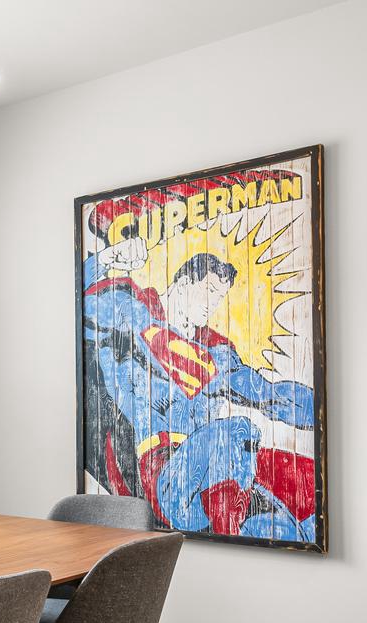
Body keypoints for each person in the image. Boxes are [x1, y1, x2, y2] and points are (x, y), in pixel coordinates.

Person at [80, 229, 316, 541]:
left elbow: (270, 396)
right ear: (183, 282)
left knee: (300, 482)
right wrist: (110, 256)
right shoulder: (132, 312)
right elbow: (78, 302)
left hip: (216, 476)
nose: (213, 305)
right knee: (235, 431)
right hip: (161, 475)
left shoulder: (216, 353)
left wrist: (327, 409)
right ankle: (230, 544)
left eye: (220, 297)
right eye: (209, 292)